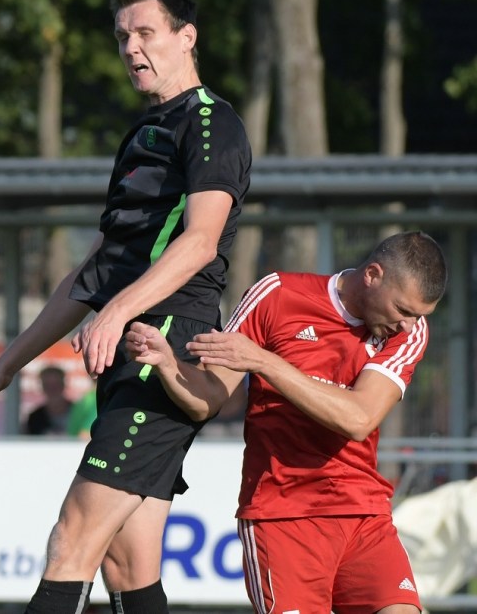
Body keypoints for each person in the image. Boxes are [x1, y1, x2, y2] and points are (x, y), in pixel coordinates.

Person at [0, 0, 252, 613]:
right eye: (123, 36)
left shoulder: (212, 123)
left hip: (164, 348)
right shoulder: (144, 132)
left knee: (72, 540)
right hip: (130, 349)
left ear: (186, 37)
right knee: (127, 562)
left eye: (146, 33)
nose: (131, 47)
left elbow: (201, 242)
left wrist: (118, 312)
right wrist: (6, 366)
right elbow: (95, 271)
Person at [125, 230, 446, 614]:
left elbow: (359, 418)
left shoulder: (408, 333)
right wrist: (167, 364)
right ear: (373, 275)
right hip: (282, 515)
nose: (409, 325)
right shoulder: (277, 295)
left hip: (363, 514)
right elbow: (207, 399)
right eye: (403, 310)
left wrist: (265, 362)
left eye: (419, 315)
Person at [26, 366, 74, 435]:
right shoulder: (35, 417)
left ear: (63, 385)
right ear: (43, 387)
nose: (52, 390)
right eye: (48, 385)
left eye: (56, 385)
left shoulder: (78, 411)